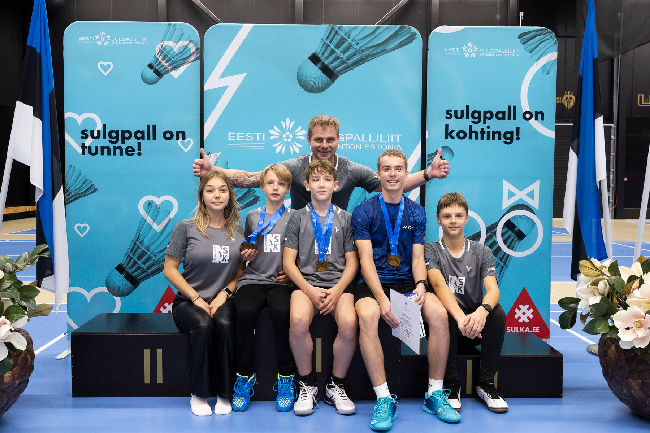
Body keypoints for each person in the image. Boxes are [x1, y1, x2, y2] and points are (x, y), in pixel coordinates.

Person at [352, 150, 460, 431]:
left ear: (405, 173)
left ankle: (435, 394)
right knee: (367, 315)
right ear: (378, 174)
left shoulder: (416, 212)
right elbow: (365, 260)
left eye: (398, 169)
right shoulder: (363, 211)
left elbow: (417, 258)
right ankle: (383, 398)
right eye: (386, 169)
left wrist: (421, 285)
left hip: (407, 282)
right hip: (373, 283)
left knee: (439, 314)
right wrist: (382, 299)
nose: (392, 174)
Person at [192, 115, 450, 210]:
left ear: (338, 140)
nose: (324, 145)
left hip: (339, 241)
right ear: (308, 140)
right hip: (299, 240)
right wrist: (212, 170)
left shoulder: (351, 169)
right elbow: (251, 178)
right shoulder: (295, 166)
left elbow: (392, 184)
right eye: (318, 140)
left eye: (330, 139)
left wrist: (428, 173)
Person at [163, 170, 245, 416]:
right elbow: (169, 269)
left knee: (225, 325)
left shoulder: (238, 231)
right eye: (210, 190)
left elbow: (240, 271)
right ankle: (199, 394)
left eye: (222, 190)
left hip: (223, 299)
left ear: (230, 196)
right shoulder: (186, 228)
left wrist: (225, 293)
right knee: (203, 326)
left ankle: (224, 394)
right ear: (202, 196)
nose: (216, 195)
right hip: (188, 301)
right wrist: (196, 298)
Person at [282, 159, 359, 416]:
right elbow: (288, 263)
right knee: (297, 320)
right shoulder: (297, 217)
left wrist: (336, 291)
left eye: (327, 180)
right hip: (306, 285)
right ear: (307, 185)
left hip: (338, 285)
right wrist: (310, 290)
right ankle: (308, 383)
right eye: (316, 180)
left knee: (348, 322)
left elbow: (352, 263)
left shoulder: (346, 218)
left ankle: (336, 385)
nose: (321, 184)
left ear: (336, 185)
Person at [425, 192, 507, 413]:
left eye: (458, 215)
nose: (453, 221)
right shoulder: (430, 250)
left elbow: (493, 290)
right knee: (443, 314)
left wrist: (482, 312)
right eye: (447, 216)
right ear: (438, 219)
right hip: (449, 325)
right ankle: (451, 385)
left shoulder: (482, 251)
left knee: (497, 314)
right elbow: (438, 285)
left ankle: (486, 384)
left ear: (467, 218)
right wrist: (460, 317)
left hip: (473, 326)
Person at [231, 164, 297, 412]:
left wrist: (292, 276)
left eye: (281, 184)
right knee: (244, 312)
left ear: (288, 189)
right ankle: (244, 377)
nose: (275, 188)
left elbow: (302, 253)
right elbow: (246, 249)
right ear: (261, 186)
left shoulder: (295, 217)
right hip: (253, 279)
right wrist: (246, 254)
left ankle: (286, 378)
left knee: (281, 313)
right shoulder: (251, 216)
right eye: (270, 183)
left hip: (281, 282)